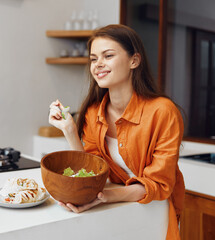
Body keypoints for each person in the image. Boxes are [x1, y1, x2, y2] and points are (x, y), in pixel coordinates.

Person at [48, 24, 184, 240]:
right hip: (113, 209)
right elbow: (93, 170)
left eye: (108, 55)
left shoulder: (163, 111)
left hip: (153, 211)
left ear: (134, 61)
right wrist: (70, 131)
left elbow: (159, 184)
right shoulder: (94, 112)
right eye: (93, 59)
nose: (98, 64)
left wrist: (104, 197)